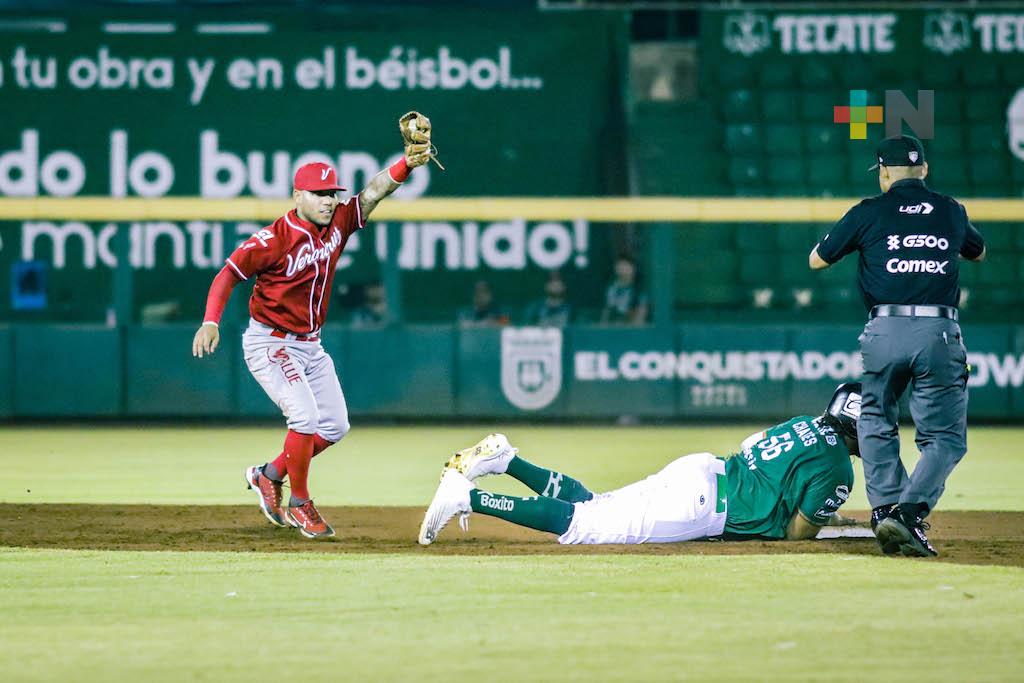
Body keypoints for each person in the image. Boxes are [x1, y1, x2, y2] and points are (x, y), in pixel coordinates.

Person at [192, 111, 436, 539]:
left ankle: (269, 474)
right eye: (319, 193)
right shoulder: (274, 238)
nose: (328, 199)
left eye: (331, 192)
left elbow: (373, 193)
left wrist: (406, 165)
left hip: (310, 344)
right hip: (270, 342)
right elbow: (227, 273)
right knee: (303, 417)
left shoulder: (338, 223)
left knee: (335, 426)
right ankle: (301, 503)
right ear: (297, 195)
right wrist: (211, 320)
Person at [808, 134, 986, 558]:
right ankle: (907, 514)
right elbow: (977, 253)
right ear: (924, 169)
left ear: (884, 173)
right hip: (938, 333)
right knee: (944, 438)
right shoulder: (949, 210)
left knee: (875, 420)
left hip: (884, 330)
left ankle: (886, 506)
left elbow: (817, 259)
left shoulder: (869, 211)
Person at [419, 384, 862, 546]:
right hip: (705, 506)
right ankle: (469, 496)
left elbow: (751, 448)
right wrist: (823, 516)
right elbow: (795, 534)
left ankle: (507, 458)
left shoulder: (805, 422)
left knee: (593, 503)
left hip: (702, 470)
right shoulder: (840, 469)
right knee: (580, 526)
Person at [600, 256, 648, 325]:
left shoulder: (639, 291)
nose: (622, 270)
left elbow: (641, 316)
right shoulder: (611, 288)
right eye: (620, 266)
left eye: (626, 266)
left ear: (633, 269)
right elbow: (606, 313)